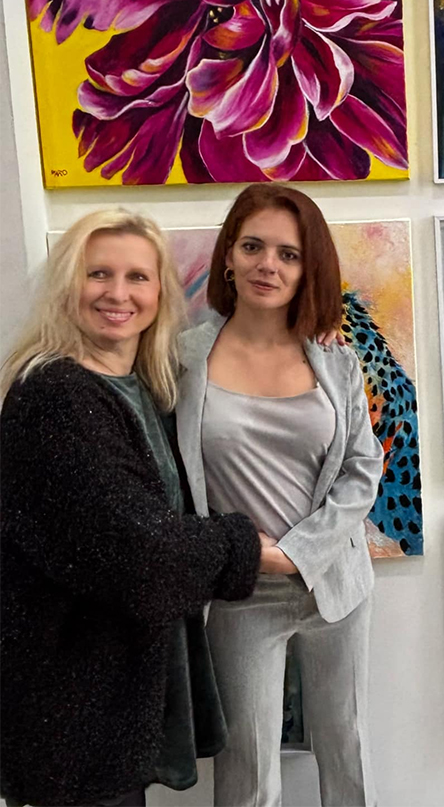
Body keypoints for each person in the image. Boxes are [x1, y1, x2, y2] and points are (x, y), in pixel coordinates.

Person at [0, 210, 262, 807]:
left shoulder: (142, 389)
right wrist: (246, 547)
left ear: (161, 294)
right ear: (67, 286)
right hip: (68, 711)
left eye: (137, 277)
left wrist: (315, 335)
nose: (118, 294)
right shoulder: (56, 398)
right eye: (98, 274)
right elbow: (143, 559)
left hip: (106, 705)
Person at [176, 184, 384, 807]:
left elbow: (362, 467)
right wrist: (246, 554)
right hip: (241, 593)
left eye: (288, 254)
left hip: (335, 583)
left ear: (307, 267)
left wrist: (297, 553)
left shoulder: (335, 359)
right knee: (247, 768)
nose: (268, 264)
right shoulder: (182, 359)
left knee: (346, 749)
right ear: (229, 257)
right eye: (253, 247)